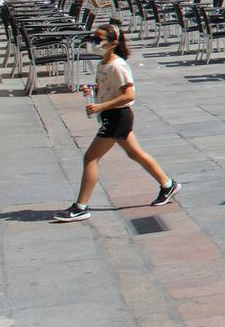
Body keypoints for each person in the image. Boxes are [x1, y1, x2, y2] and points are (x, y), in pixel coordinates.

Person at [56, 22, 179, 221]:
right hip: (113, 115)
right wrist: (93, 89)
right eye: (93, 38)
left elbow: (129, 94)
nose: (94, 42)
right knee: (135, 153)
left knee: (90, 158)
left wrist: (101, 106)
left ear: (112, 43)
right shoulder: (103, 63)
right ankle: (167, 184)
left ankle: (81, 206)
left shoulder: (117, 65)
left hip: (118, 116)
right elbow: (107, 87)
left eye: (98, 39)